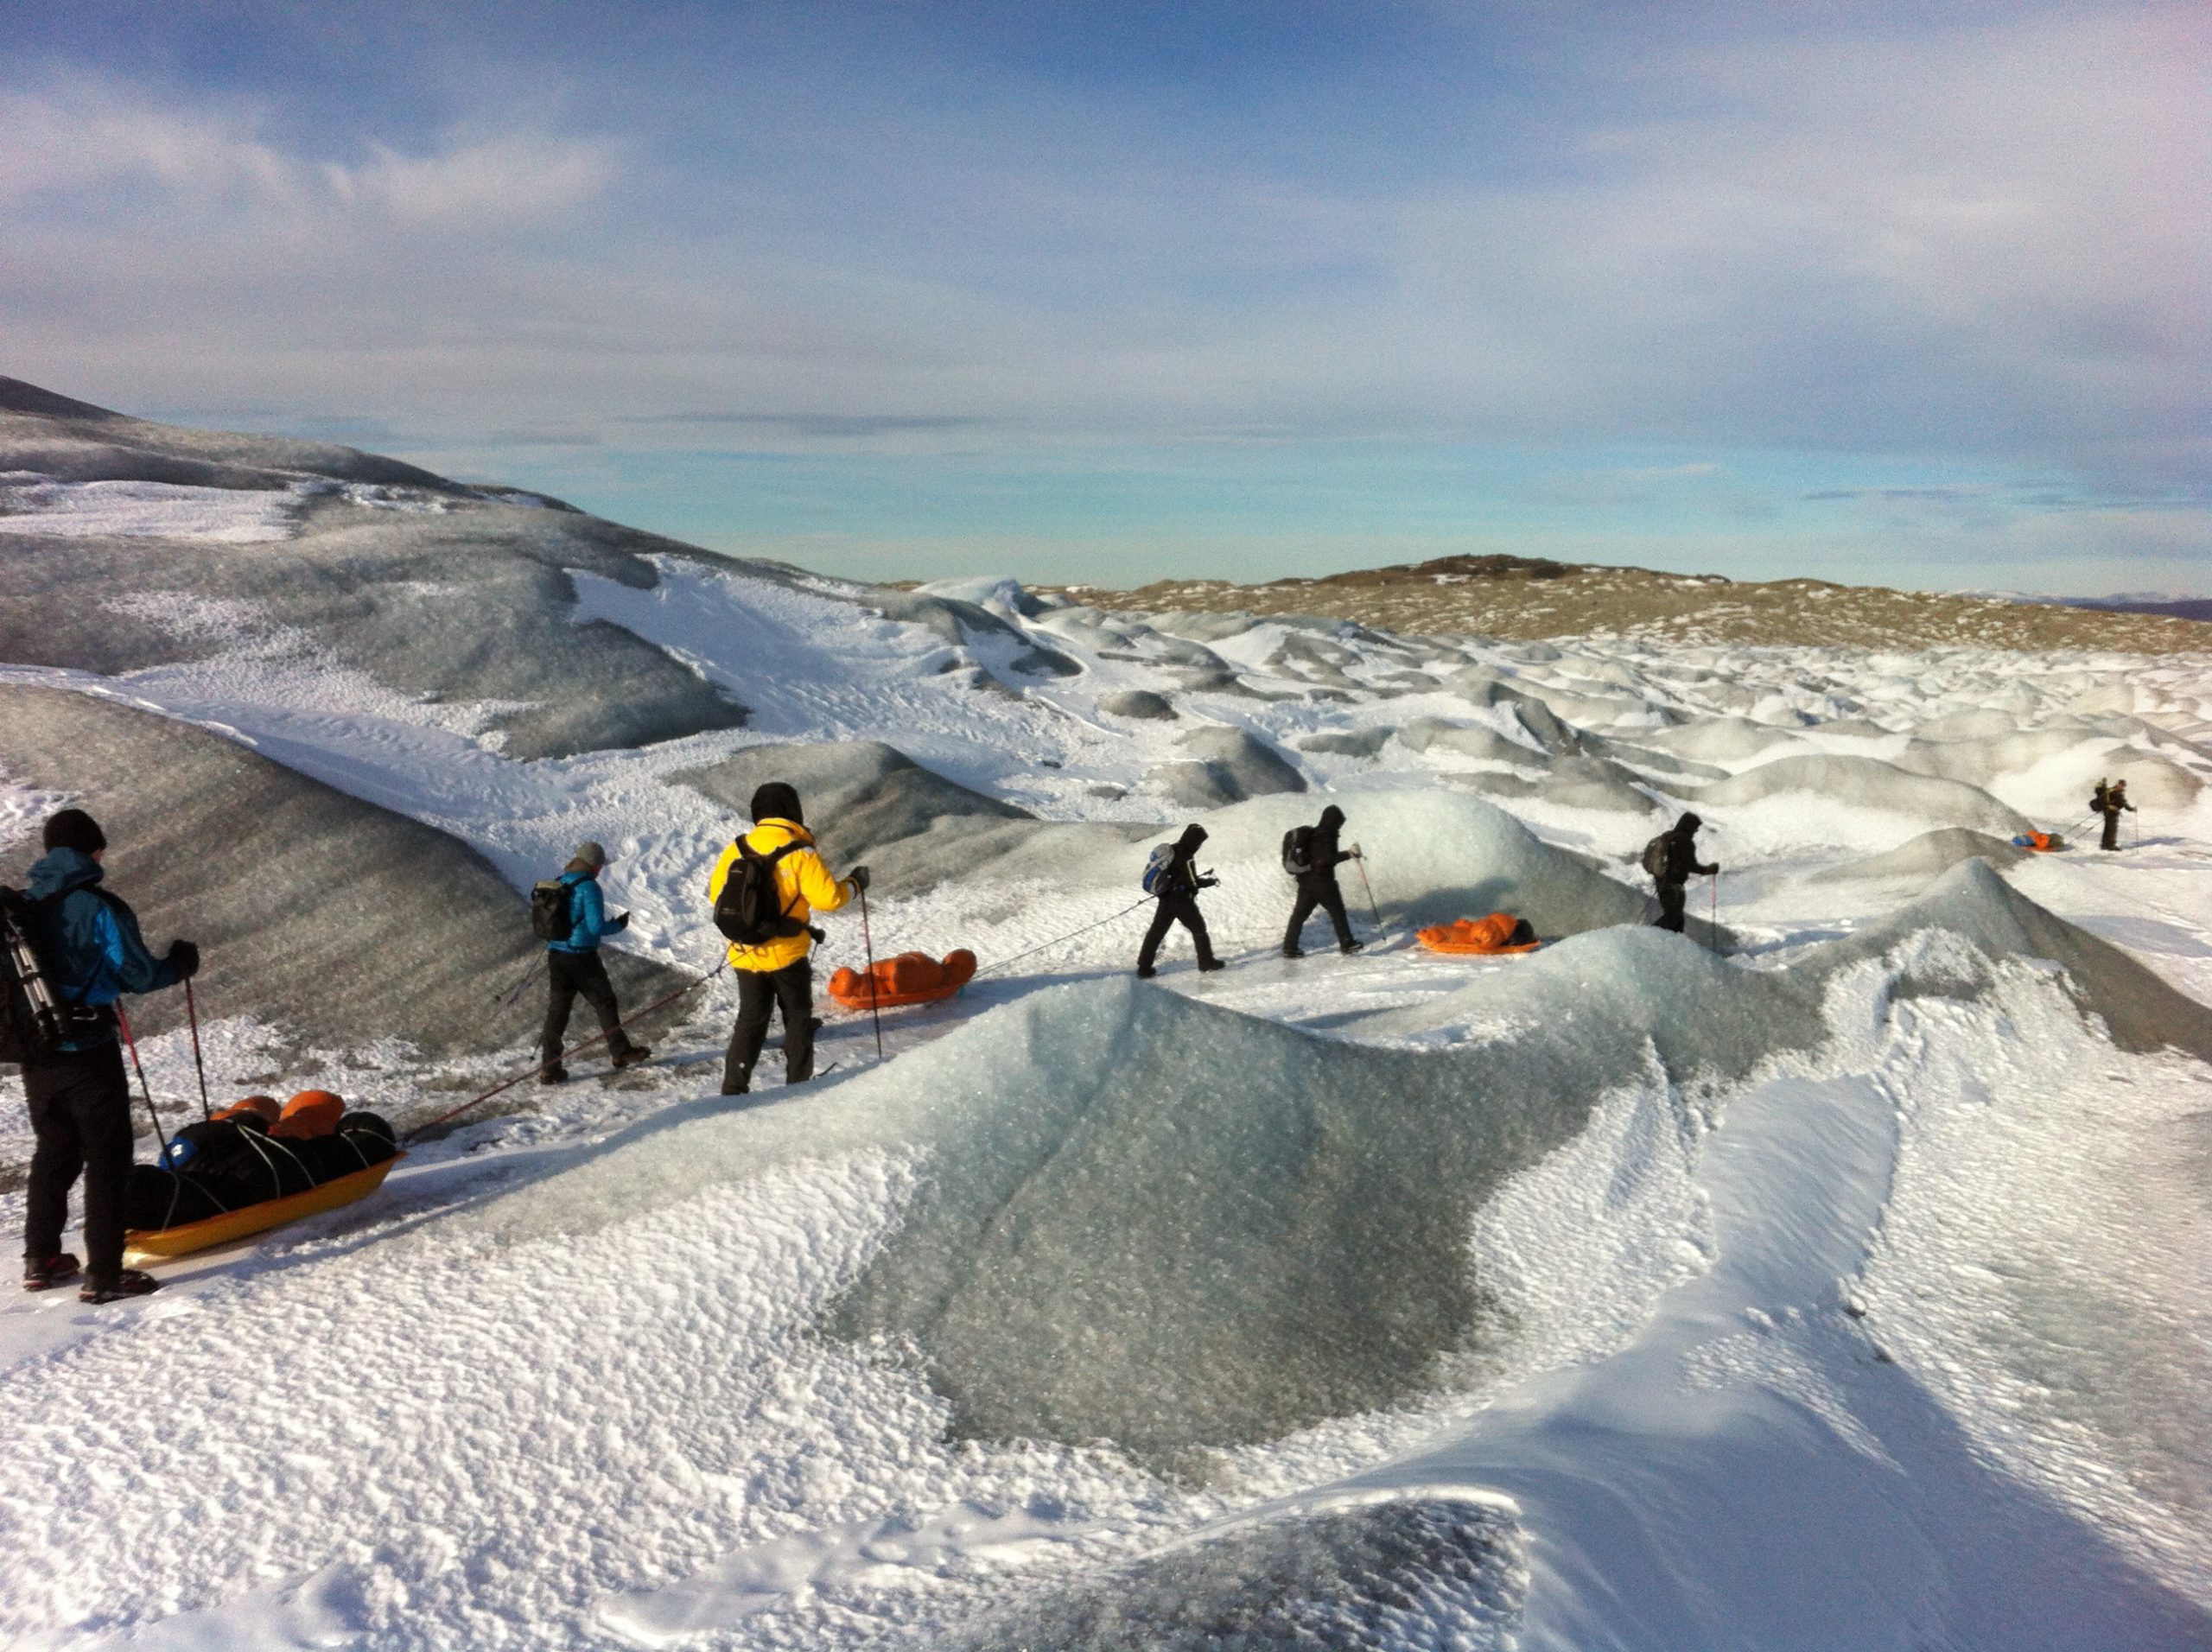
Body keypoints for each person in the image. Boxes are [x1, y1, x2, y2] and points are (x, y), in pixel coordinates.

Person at [18, 808, 196, 1303]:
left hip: (37, 1055)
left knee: (55, 1152)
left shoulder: (23, 905)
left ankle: (41, 1259)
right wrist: (180, 964)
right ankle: (105, 1276)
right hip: (89, 1052)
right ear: (91, 850)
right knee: (107, 1158)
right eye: (100, 849)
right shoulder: (97, 906)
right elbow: (138, 976)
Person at [708, 783, 868, 1096]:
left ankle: (733, 1088)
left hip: (745, 953)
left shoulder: (736, 848)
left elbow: (717, 895)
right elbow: (829, 899)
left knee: (751, 1020)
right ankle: (798, 1086)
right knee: (797, 1018)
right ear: (792, 811)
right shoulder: (801, 852)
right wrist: (856, 883)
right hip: (787, 954)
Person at [538, 841, 651, 1084]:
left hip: (556, 955)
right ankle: (621, 1053)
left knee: (557, 1011)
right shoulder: (589, 887)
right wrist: (619, 925)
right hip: (582, 956)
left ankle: (549, 1067)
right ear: (595, 865)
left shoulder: (561, 881)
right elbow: (596, 927)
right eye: (600, 864)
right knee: (605, 1002)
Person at [1138, 823, 1224, 978]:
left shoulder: (1172, 850)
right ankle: (1206, 962)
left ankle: (1144, 967)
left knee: (1156, 932)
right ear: (1193, 841)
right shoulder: (1185, 857)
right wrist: (1210, 882)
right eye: (1199, 842)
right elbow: (1192, 882)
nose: (1199, 846)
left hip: (1165, 900)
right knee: (1199, 929)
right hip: (1181, 902)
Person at [1282, 804, 1363, 959]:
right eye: (1339, 822)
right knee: (1337, 912)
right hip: (1323, 882)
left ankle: (1289, 947)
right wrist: (1349, 854)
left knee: (1299, 915)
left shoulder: (1313, 835)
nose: (1339, 826)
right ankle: (1347, 943)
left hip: (1306, 882)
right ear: (1333, 820)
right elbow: (1325, 859)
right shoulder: (1327, 835)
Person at [1650, 810, 1719, 935]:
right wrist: (1708, 870)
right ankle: (1648, 935)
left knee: (1674, 918)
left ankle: (1664, 943)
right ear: (1689, 826)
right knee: (1674, 918)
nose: (1695, 832)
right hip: (1674, 885)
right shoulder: (1684, 841)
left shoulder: (1668, 837)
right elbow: (1689, 864)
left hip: (1662, 883)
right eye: (1695, 828)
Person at [2092, 778, 2135, 852]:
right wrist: (2132, 809)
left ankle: (2104, 845)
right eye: (2121, 784)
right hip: (2112, 812)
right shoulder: (2116, 792)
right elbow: (2124, 803)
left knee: (2108, 828)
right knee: (2112, 829)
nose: (2122, 786)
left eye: (2123, 785)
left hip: (2108, 811)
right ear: (2118, 784)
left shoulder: (2111, 790)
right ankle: (2111, 845)